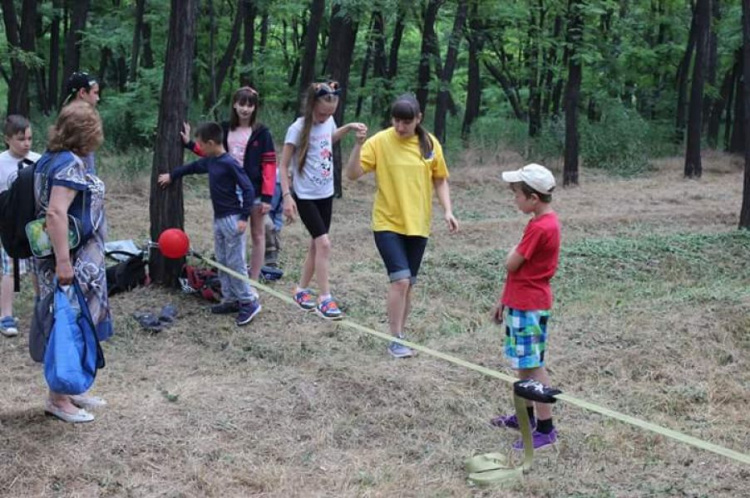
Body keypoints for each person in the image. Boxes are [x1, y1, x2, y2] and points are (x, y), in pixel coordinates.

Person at [345, 93, 459, 358]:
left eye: (406, 122)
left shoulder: (430, 144)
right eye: (396, 121)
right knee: (400, 281)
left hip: (418, 225)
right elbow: (352, 175)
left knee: (409, 284)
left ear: (418, 119)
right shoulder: (380, 141)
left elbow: (440, 179)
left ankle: (401, 334)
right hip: (387, 222)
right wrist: (357, 146)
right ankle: (394, 338)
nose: (399, 127)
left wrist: (448, 211)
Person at [34, 101, 110, 423]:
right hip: (69, 263)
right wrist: (64, 262)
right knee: (65, 324)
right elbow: (55, 213)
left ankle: (71, 387)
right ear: (87, 133)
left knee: (76, 324)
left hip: (71, 260)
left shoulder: (50, 159)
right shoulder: (68, 164)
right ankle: (58, 399)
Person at [278, 80, 365, 320]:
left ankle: (300, 290)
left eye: (330, 113)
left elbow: (329, 138)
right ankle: (325, 299)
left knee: (316, 245)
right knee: (324, 244)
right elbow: (283, 165)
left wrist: (347, 128)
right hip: (305, 196)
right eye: (322, 112)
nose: (326, 117)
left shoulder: (329, 122)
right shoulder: (297, 128)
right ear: (311, 106)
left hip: (326, 194)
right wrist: (287, 197)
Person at [160, 121, 261, 326]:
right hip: (219, 219)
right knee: (222, 260)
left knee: (235, 263)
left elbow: (248, 189)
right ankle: (230, 299)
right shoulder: (211, 161)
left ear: (212, 143)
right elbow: (192, 167)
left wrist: (243, 218)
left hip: (233, 220)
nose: (200, 149)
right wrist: (173, 174)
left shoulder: (229, 163)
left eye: (201, 145)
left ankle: (248, 302)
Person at [489, 163, 560, 451]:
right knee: (523, 363)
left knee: (533, 365)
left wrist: (511, 250)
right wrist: (503, 300)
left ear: (533, 198)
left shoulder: (542, 227)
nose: (514, 199)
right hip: (520, 301)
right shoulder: (538, 222)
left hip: (531, 304)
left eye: (516, 194)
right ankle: (525, 417)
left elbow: (511, 263)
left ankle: (545, 428)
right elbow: (517, 272)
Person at [181, 86, 276, 281]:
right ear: (234, 104)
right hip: (230, 191)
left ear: (255, 108)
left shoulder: (262, 133)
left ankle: (254, 279)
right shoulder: (224, 129)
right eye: (242, 103)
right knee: (232, 235)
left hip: (255, 191)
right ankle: (233, 277)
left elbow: (269, 166)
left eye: (250, 105)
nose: (245, 109)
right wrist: (190, 144)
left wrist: (267, 196)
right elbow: (211, 151)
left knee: (258, 235)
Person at [0, 115, 41, 337]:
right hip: (9, 225)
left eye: (29, 138)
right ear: (7, 139)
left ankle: (42, 306)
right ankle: (5, 315)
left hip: (35, 224)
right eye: (20, 139)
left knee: (38, 265)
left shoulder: (39, 160)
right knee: (10, 269)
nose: (26, 143)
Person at [62, 71, 101, 173]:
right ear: (83, 93)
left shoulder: (64, 118)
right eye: (95, 93)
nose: (98, 98)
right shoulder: (79, 123)